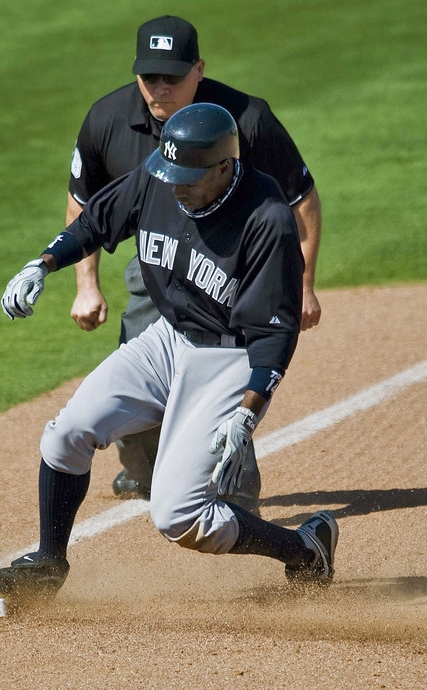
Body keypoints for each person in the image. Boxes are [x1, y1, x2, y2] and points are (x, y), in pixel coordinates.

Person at [0, 103, 337, 602]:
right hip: (167, 338)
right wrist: (41, 264)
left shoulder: (266, 217)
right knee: (67, 434)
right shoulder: (160, 178)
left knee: (180, 516)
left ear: (223, 167)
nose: (176, 186)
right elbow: (96, 221)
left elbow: (276, 333)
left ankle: (304, 549)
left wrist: (248, 413)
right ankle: (48, 562)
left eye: (188, 177)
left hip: (227, 357)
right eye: (170, 173)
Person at [66, 15, 323, 508]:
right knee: (135, 381)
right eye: (149, 77)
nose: (160, 88)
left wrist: (305, 283)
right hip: (158, 259)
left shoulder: (246, 119)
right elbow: (85, 202)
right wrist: (86, 283)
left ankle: (236, 494)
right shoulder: (108, 119)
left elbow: (300, 199)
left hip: (233, 265)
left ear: (199, 69)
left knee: (223, 372)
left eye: (173, 77)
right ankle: (142, 470)